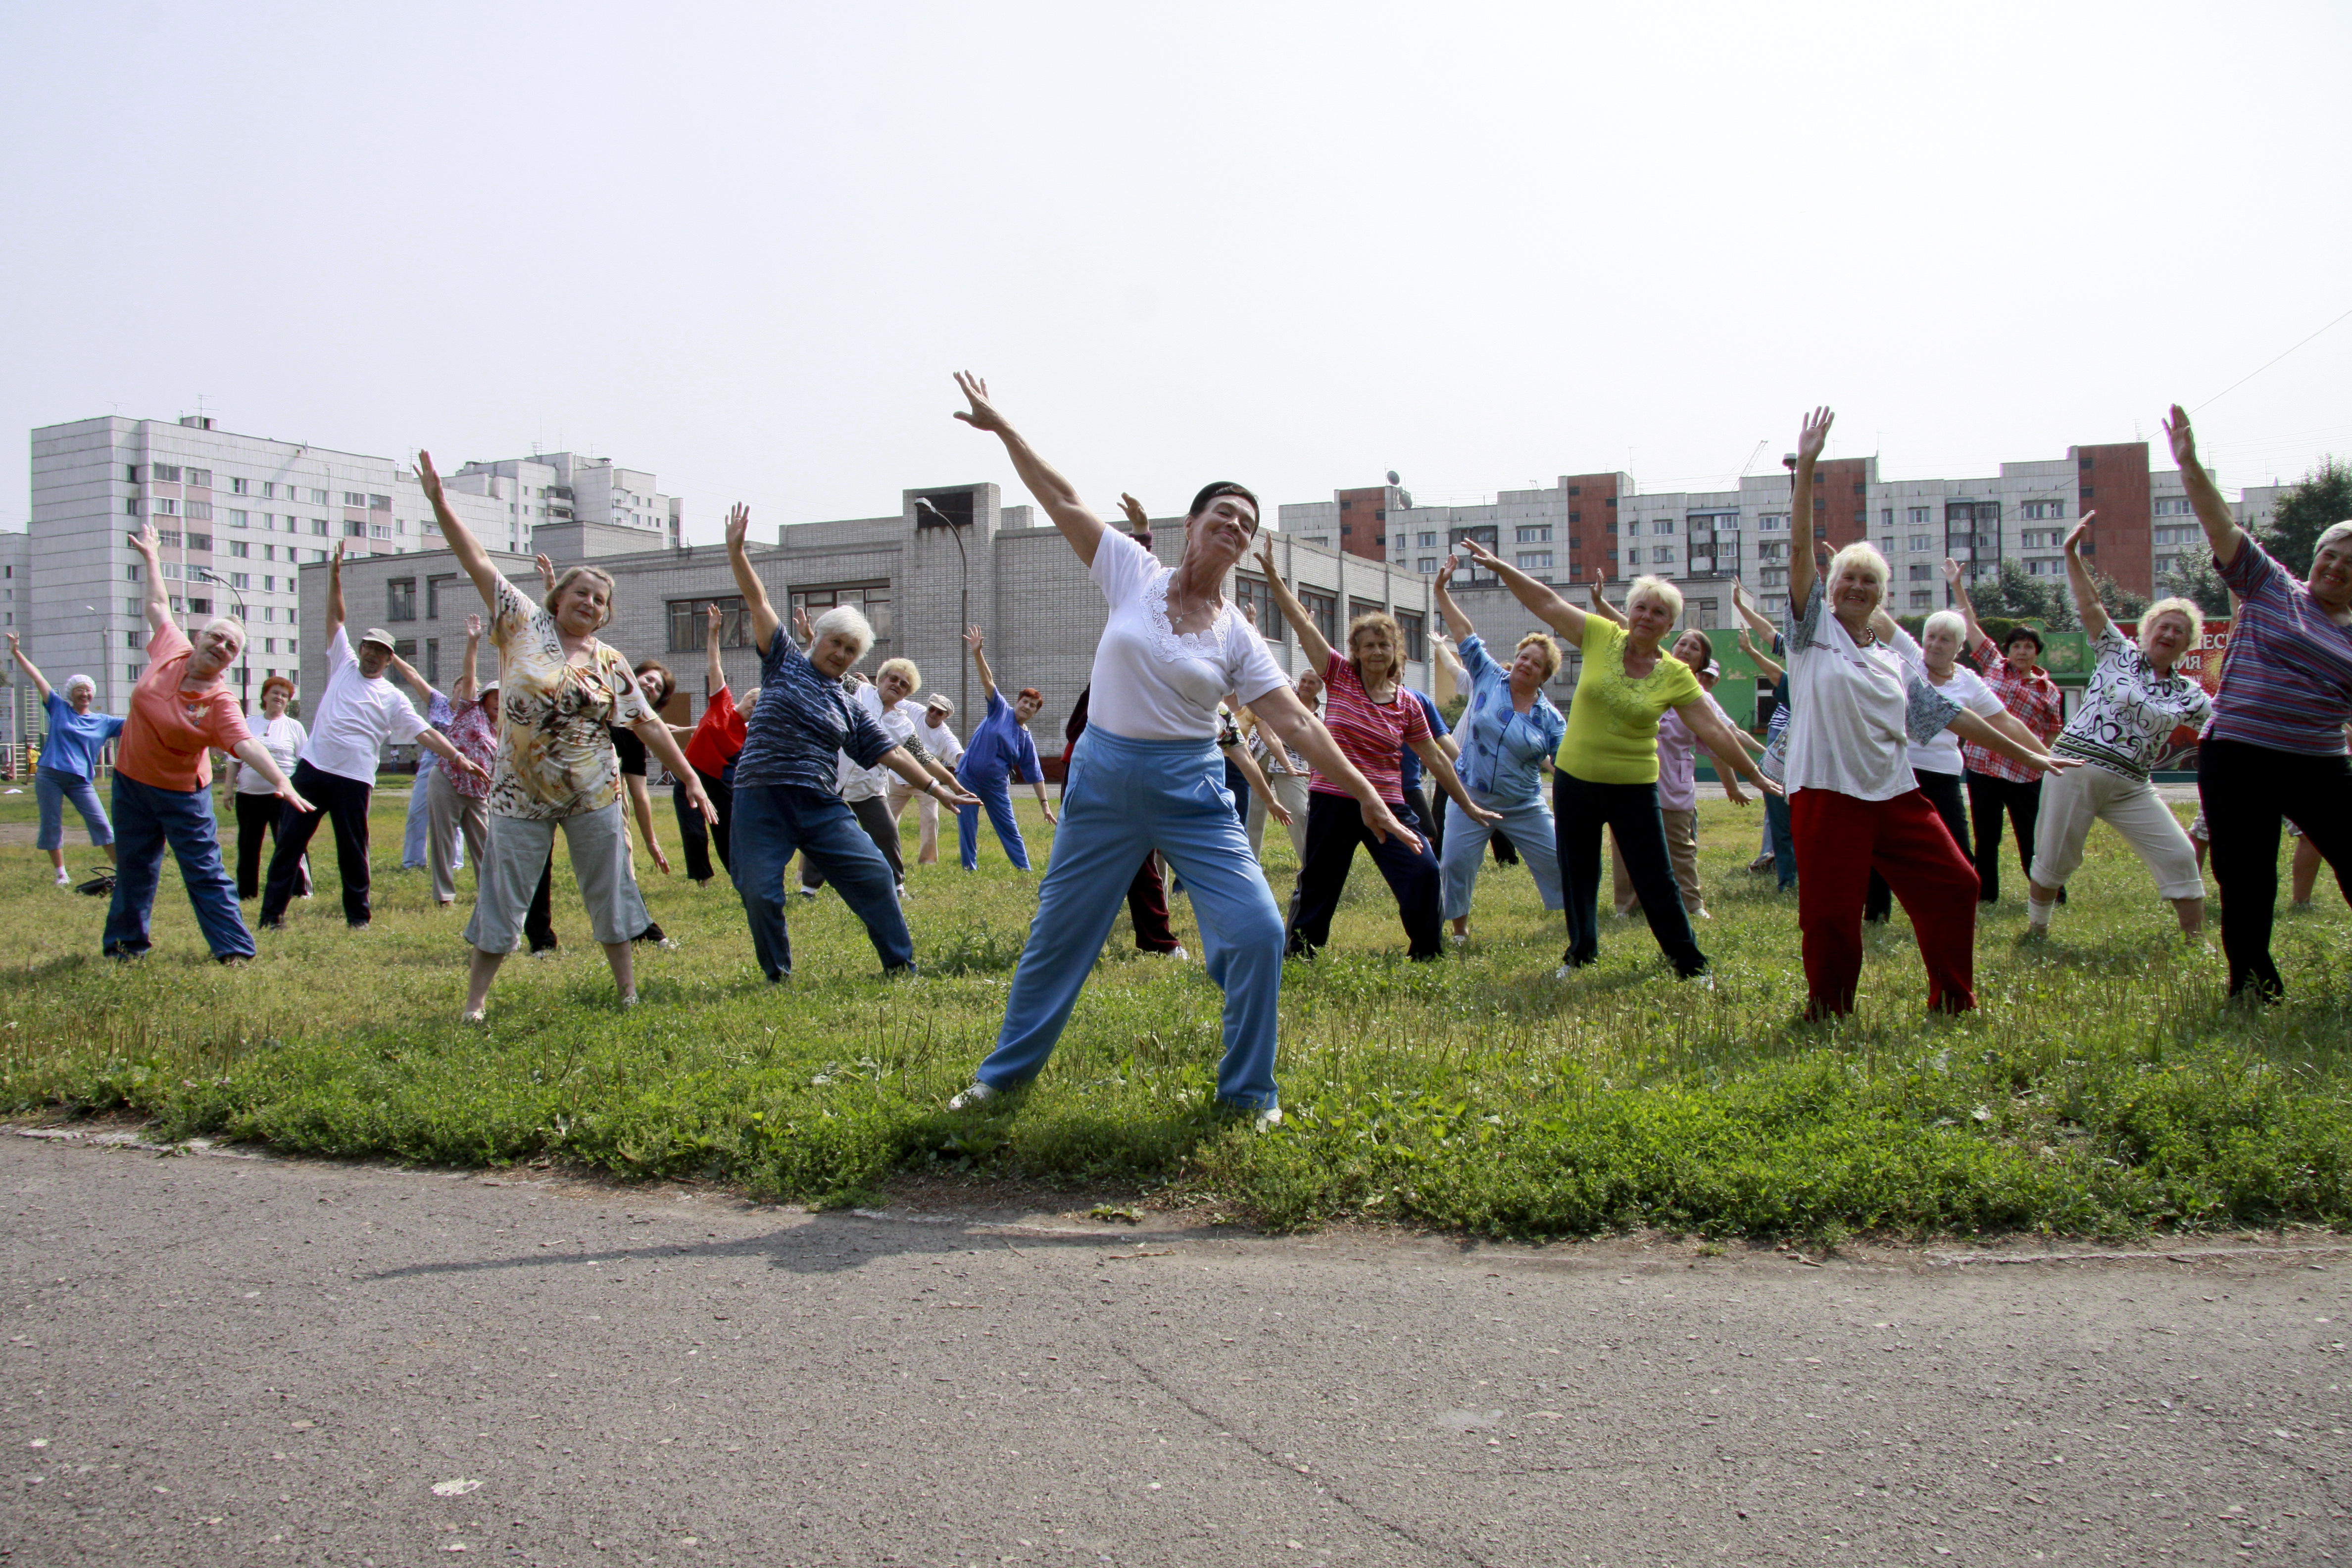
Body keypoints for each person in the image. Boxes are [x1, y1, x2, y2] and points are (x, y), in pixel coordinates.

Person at [942, 372, 1414, 1122]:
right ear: (1191, 524)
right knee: (1058, 938)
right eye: (1223, 514)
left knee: (1259, 931)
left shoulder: (1238, 635)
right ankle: (1000, 1079)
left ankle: (1249, 1094)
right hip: (1101, 786)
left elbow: (1297, 723)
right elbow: (1065, 499)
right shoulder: (1134, 572)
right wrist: (1005, 430)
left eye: (1247, 524)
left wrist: (1362, 791)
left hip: (1191, 792)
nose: (1235, 527)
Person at [1778, 407, 2075, 1018]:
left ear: (1882, 596)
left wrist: (2029, 753)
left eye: (1868, 581)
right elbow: (1800, 551)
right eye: (1847, 578)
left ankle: (1953, 999)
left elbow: (1949, 717)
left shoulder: (1891, 659)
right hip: (1827, 791)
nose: (1856, 587)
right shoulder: (1812, 634)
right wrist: (1807, 467)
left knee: (1956, 883)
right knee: (1833, 915)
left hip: (1893, 792)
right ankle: (1829, 1012)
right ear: (1831, 589)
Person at [414, 451, 715, 1019]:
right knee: (504, 894)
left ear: (604, 616)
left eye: (599, 601)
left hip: (594, 793)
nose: (589, 603)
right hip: (518, 795)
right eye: (581, 593)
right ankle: (476, 1002)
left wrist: (691, 779)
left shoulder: (609, 659)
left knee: (611, 890)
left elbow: (647, 723)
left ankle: (627, 991)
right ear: (559, 597)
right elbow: (477, 559)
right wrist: (440, 503)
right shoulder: (521, 625)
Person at [1461, 541, 1772, 982]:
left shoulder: (1675, 674)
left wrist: (1754, 772)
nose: (1647, 617)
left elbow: (1715, 729)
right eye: (1641, 607)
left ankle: (1690, 962)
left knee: (1656, 877)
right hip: (1576, 781)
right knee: (1580, 872)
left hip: (1634, 787)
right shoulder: (1602, 636)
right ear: (1629, 611)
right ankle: (1580, 952)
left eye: (1659, 613)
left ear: (1670, 625)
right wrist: (1501, 568)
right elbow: (1547, 602)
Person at [721, 502, 978, 982]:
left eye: (851, 651)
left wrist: (938, 788)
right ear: (816, 638)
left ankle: (901, 967)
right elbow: (758, 603)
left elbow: (895, 752)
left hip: (818, 803)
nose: (841, 654)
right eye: (835, 643)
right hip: (761, 798)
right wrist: (737, 552)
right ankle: (777, 976)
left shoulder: (849, 705)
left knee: (876, 874)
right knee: (760, 891)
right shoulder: (782, 662)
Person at [2164, 405, 2352, 1001]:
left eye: (2351, 565)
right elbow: (2220, 525)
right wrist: (2190, 466)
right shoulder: (2271, 585)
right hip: (2239, 756)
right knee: (2245, 877)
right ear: (2316, 556)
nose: (2336, 568)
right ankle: (2252, 983)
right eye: (2331, 555)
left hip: (2319, 763)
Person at [1258, 539, 1497, 961]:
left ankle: (1426, 953)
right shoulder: (1341, 677)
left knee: (1424, 871)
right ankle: (1299, 955)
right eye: (1368, 645)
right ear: (1357, 651)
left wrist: (1469, 804)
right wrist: (1275, 578)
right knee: (1319, 884)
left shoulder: (1408, 703)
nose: (1376, 652)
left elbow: (1436, 759)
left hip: (1388, 803)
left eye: (1383, 645)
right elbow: (1301, 624)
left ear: (1395, 652)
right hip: (1334, 800)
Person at [103, 523, 310, 961]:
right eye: (217, 637)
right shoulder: (171, 651)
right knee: (133, 867)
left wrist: (283, 782)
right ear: (199, 638)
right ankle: (125, 948)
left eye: (232, 647)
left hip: (182, 794)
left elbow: (247, 745)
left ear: (233, 661)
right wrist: (153, 556)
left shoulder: (220, 701)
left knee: (204, 872)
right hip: (131, 782)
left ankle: (234, 950)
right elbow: (158, 604)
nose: (222, 646)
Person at [260, 541, 483, 931]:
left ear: (388, 659)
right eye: (369, 648)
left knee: (353, 851)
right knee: (289, 845)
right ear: (360, 649)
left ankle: (358, 919)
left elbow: (426, 733)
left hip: (355, 780)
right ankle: (271, 916)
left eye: (382, 652)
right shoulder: (343, 664)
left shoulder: (393, 696)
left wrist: (458, 758)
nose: (373, 656)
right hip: (312, 770)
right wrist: (334, 576)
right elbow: (335, 618)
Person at [2022, 514, 2214, 936]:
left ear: (2187, 644)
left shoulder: (2190, 694)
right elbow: (2091, 606)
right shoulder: (2117, 651)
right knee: (2055, 859)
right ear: (2147, 630)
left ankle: (2195, 942)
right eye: (2163, 625)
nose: (2169, 632)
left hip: (2132, 785)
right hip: (2075, 769)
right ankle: (2037, 930)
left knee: (2181, 854)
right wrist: (2071, 554)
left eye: (2179, 631)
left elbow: (2227, 724)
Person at [1861, 603, 2044, 924]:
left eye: (1945, 640)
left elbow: (2006, 722)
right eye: (1931, 636)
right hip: (1898, 770)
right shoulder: (1911, 657)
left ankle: (1958, 912)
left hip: (1944, 777)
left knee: (1958, 849)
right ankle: (1876, 915)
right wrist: (1849, 569)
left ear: (1959, 649)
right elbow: (1880, 618)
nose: (1935, 644)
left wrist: (2045, 756)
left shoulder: (1970, 682)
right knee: (1883, 844)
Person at [1428, 557, 1567, 940]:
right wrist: (1441, 591)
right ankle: (1460, 931)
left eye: (1535, 664)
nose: (1525, 664)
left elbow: (1563, 762)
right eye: (1524, 656)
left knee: (1560, 858)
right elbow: (1464, 632)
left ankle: (1575, 918)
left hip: (1522, 803)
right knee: (1454, 863)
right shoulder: (1489, 676)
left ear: (1544, 675)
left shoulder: (1550, 718)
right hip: (1470, 794)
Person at [1943, 560, 2067, 905]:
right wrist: (1957, 584)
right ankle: (1986, 897)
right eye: (2016, 646)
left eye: (2028, 646)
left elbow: (2051, 733)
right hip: (1984, 767)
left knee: (2032, 837)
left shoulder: (2048, 690)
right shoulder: (1994, 665)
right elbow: (1969, 623)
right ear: (2008, 651)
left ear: (2037, 652)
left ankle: (2051, 894)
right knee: (1986, 837)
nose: (2022, 651)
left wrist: (2044, 762)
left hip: (2024, 772)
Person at [806, 656, 961, 900]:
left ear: (906, 694)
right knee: (824, 831)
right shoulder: (859, 690)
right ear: (881, 679)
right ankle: (809, 889)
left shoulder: (903, 723)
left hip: (869, 787)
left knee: (887, 833)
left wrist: (952, 782)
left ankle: (897, 886)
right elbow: (830, 668)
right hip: (832, 778)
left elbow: (924, 758)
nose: (898, 685)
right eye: (894, 679)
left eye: (904, 685)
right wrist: (810, 637)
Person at [9, 632, 123, 887]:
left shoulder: (104, 722)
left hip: (81, 780)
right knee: (52, 824)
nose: (84, 693)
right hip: (50, 775)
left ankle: (124, 872)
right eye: (79, 690)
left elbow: (140, 724)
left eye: (88, 690)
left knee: (102, 824)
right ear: (71, 694)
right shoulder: (58, 708)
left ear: (93, 695)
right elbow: (38, 678)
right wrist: (17, 653)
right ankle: (61, 874)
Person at [955, 625, 1055, 871]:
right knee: (968, 826)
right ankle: (969, 869)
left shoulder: (1026, 738)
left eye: (1033, 706)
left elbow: (1035, 773)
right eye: (1025, 701)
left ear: (1035, 712)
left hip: (996, 787)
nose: (1027, 707)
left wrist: (1045, 805)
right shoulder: (1000, 709)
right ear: (1018, 701)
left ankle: (1025, 870)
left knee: (1010, 829)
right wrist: (978, 652)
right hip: (968, 778)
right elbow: (988, 680)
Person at [423, 617, 497, 908]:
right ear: (485, 697)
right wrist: (474, 641)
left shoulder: (503, 728)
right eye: (493, 696)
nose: (497, 701)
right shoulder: (469, 710)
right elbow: (469, 675)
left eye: (503, 698)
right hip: (448, 781)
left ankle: (489, 894)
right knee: (442, 840)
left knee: (485, 844)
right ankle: (445, 897)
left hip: (478, 793)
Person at [676, 602, 747, 886]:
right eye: (755, 700)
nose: (756, 706)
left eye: (762, 706)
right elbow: (714, 664)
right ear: (744, 698)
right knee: (694, 830)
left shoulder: (750, 733)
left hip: (721, 783)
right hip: (690, 773)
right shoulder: (722, 703)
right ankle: (702, 879)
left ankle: (740, 877)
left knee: (726, 831)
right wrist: (714, 632)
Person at [1733, 584, 1798, 891]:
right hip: (1781, 747)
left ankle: (1799, 873)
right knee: (1780, 816)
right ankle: (1784, 873)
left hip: (1807, 754)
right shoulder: (1797, 646)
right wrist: (1743, 610)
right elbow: (1769, 633)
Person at [386, 644, 467, 888]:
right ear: (454, 689)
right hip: (433, 759)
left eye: (470, 690)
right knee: (418, 810)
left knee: (455, 815)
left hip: (460, 763)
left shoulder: (474, 711)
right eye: (461, 688)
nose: (464, 693)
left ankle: (455, 863)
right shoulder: (438, 702)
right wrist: (394, 658)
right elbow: (413, 676)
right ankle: (413, 861)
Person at [228, 675, 310, 902]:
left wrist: (300, 791)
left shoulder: (294, 727)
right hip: (249, 795)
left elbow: (304, 762)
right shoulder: (248, 723)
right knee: (248, 846)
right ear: (264, 696)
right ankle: (246, 893)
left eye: (285, 696)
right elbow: (234, 759)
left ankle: (299, 889)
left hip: (283, 796)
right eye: (275, 693)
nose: (279, 698)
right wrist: (227, 791)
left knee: (289, 843)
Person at [1247, 668, 1319, 861]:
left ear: (1321, 688)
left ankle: (1310, 864)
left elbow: (1319, 750)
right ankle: (1250, 865)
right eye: (1303, 680)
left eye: (1312, 682)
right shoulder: (1287, 693)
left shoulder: (1321, 718)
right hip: (1259, 756)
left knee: (1298, 812)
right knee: (1252, 815)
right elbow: (1268, 666)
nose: (1305, 685)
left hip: (1291, 766)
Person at [892, 693, 961, 866]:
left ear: (946, 716)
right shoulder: (915, 711)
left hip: (926, 784)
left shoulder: (945, 736)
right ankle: (884, 856)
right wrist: (868, 686)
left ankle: (927, 862)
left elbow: (958, 754)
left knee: (931, 820)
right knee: (887, 819)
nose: (933, 713)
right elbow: (891, 698)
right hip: (896, 777)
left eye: (940, 712)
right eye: (932, 709)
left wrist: (972, 766)